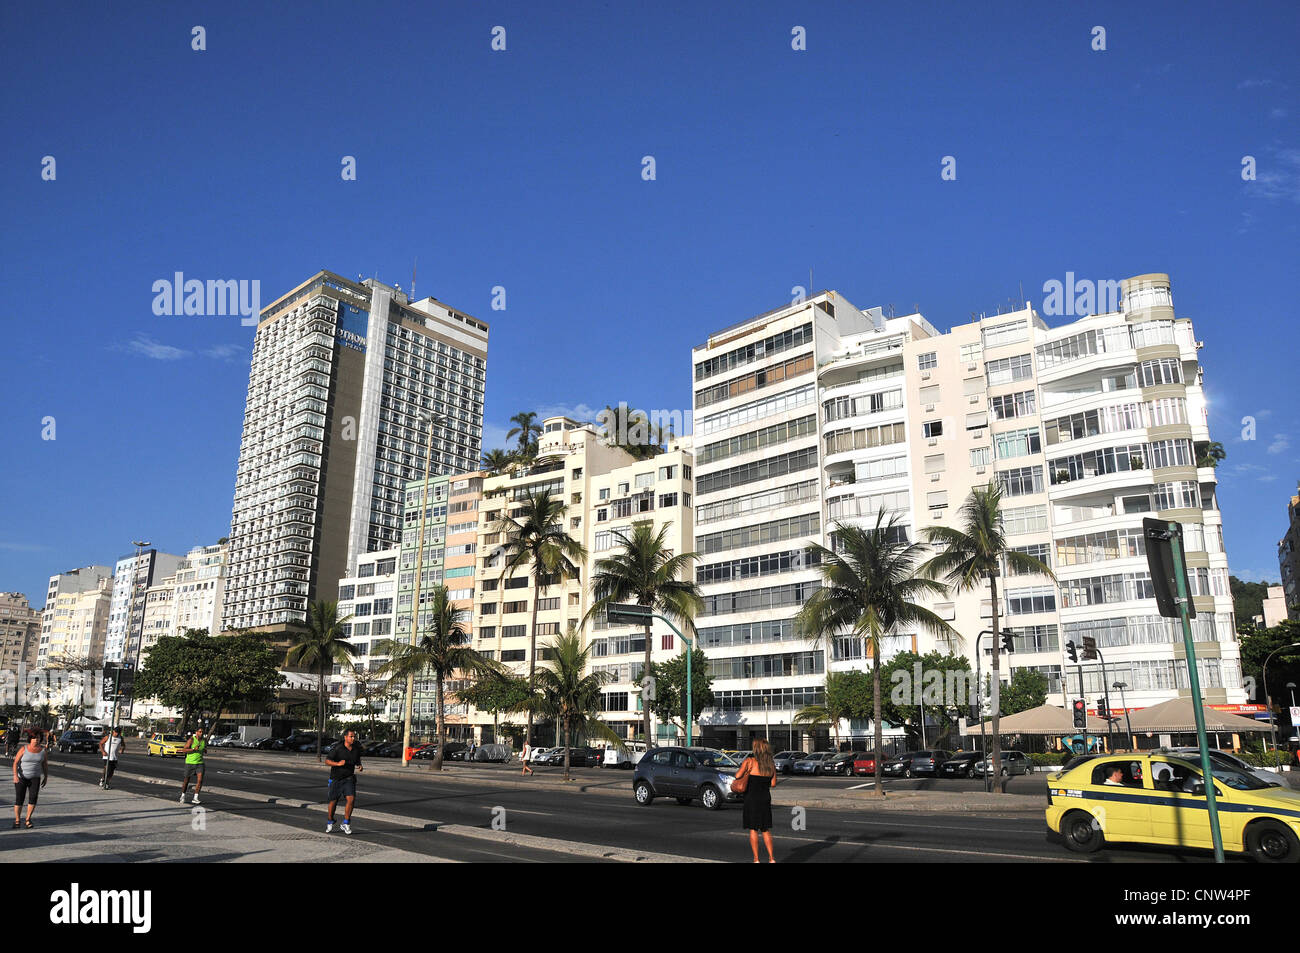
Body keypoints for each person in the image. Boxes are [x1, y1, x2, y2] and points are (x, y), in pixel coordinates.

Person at [733, 737, 778, 863]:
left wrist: (747, 771)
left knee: (753, 829)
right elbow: (773, 783)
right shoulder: (771, 764)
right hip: (765, 798)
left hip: (751, 799)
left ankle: (756, 859)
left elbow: (737, 776)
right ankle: (771, 858)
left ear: (756, 748)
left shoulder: (750, 761)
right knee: (765, 829)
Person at [324, 729, 363, 833]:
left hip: (349, 778)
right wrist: (338, 764)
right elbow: (327, 761)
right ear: (345, 737)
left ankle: (346, 823)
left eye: (354, 736)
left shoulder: (356, 749)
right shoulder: (337, 748)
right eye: (351, 736)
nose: (353, 738)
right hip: (336, 778)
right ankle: (330, 820)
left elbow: (357, 759)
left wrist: (359, 765)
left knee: (351, 799)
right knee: (333, 802)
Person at [12, 729, 47, 829]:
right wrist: (15, 775)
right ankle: (17, 820)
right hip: (21, 777)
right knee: (20, 798)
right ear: (30, 739)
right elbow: (15, 763)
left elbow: (45, 765)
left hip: (35, 777)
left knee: (33, 797)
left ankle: (28, 819)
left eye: (38, 738)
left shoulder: (43, 751)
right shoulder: (24, 749)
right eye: (34, 738)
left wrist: (46, 777)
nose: (36, 740)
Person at [179, 726, 207, 805]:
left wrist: (204, 750)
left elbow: (204, 747)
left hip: (200, 763)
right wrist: (193, 749)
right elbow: (184, 750)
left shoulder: (204, 741)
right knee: (186, 780)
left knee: (200, 780)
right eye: (200, 732)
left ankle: (195, 797)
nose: (201, 733)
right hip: (190, 763)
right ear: (196, 732)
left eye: (202, 732)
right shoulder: (191, 740)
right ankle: (183, 795)